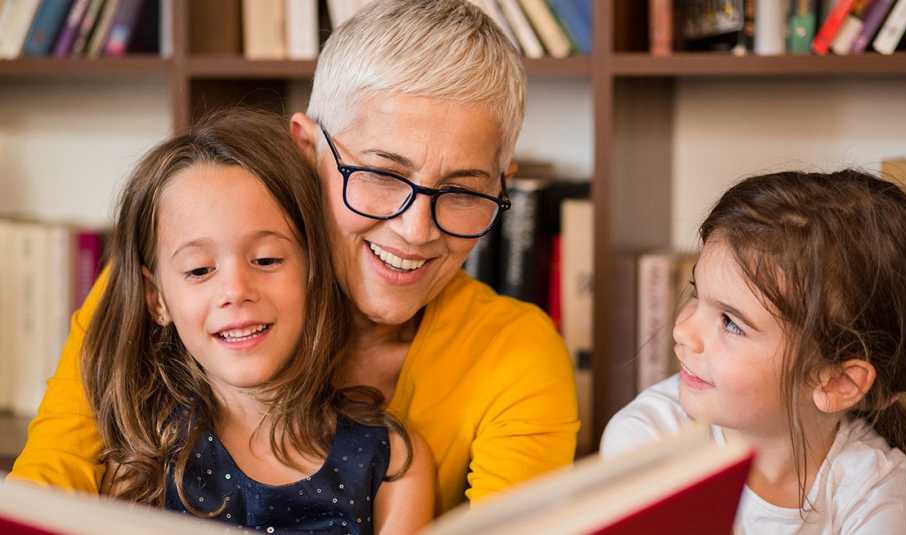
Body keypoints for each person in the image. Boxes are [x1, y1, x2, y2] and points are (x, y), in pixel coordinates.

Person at [11, 0, 579, 515]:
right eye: (381, 175)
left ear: (503, 185)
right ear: (307, 149)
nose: (415, 230)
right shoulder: (180, 288)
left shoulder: (516, 354)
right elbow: (48, 489)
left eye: (461, 191)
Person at [83, 108, 434, 534]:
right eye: (199, 270)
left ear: (313, 269)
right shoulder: (142, 460)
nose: (236, 290)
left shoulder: (392, 462)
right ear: (157, 300)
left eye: (266, 259)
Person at [601, 170, 906, 534]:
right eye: (697, 293)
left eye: (730, 322)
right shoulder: (644, 440)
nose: (682, 330)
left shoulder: (872, 490)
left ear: (838, 382)